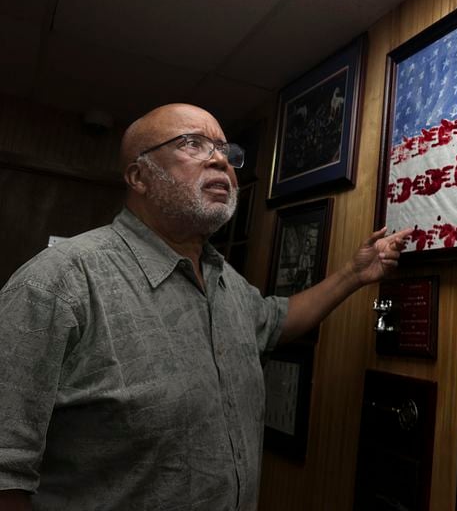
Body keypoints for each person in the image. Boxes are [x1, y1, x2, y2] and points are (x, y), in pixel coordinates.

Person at [0, 103, 411, 511]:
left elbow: (277, 321)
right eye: (192, 144)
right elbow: (6, 471)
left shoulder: (224, 280)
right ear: (139, 176)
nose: (220, 160)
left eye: (225, 150)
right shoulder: (58, 283)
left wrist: (353, 275)